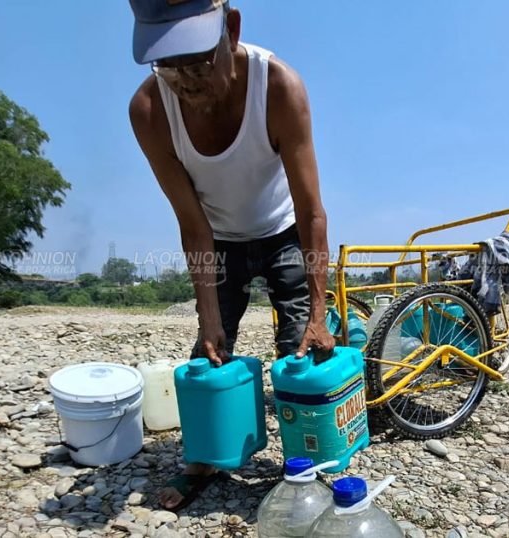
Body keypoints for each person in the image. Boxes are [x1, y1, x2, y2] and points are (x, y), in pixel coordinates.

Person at [127, 0, 335, 511]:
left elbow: (311, 214)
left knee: (301, 354)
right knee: (211, 352)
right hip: (216, 238)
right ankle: (203, 459)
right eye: (169, 67)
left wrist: (317, 310)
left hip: (284, 231)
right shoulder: (150, 111)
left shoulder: (279, 87)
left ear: (232, 29)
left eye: (198, 63)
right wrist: (210, 318)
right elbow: (192, 226)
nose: (187, 82)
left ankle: (307, 465)